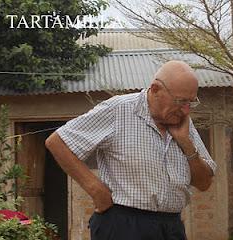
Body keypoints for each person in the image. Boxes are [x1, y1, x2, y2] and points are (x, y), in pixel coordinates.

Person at [45, 60, 217, 240]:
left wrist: (186, 143)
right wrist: (95, 189)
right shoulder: (119, 109)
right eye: (181, 101)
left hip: (171, 226)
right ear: (156, 89)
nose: (186, 109)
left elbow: (204, 183)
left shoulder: (182, 121)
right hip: (123, 226)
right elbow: (57, 142)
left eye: (191, 102)